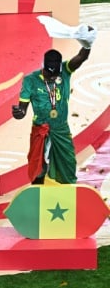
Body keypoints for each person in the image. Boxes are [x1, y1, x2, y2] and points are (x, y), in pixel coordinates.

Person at [12, 42, 92, 184]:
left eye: (55, 75)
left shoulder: (65, 71)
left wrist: (87, 43)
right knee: (38, 167)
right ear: (43, 66)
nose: (52, 78)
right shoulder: (30, 80)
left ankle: (68, 194)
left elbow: (81, 57)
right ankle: (37, 193)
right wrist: (19, 112)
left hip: (61, 129)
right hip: (40, 129)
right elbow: (22, 109)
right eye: (49, 75)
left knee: (68, 164)